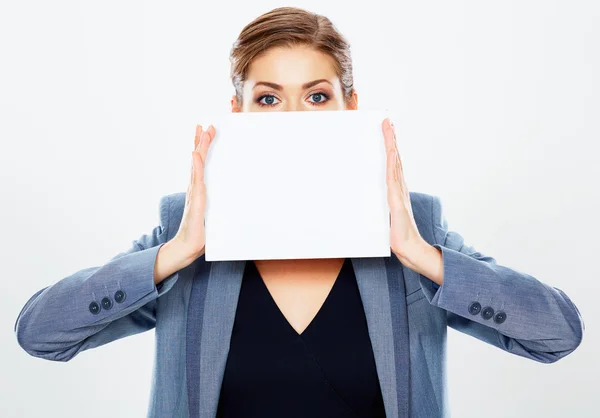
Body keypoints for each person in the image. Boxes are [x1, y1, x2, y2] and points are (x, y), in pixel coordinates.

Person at [14, 6, 585, 418]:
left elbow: (556, 336)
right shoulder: (188, 231)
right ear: (236, 111)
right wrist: (172, 256)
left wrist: (423, 256)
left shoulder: (414, 229)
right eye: (268, 98)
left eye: (317, 96)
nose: (293, 116)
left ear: (350, 107)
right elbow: (41, 335)